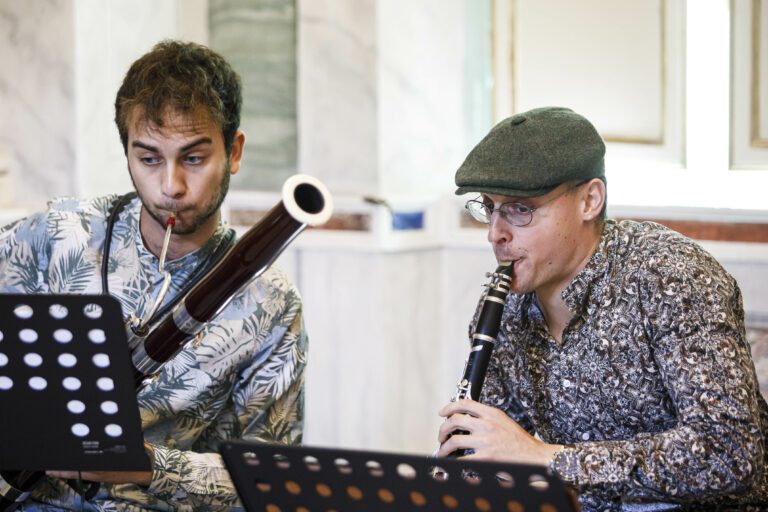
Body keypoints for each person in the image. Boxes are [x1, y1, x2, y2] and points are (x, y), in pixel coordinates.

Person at [0, 40, 307, 510]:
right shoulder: (58, 235)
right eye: (148, 159)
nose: (170, 186)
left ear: (234, 151)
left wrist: (147, 466)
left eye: (193, 158)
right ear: (126, 152)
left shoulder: (272, 301)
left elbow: (273, 480)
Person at [436, 106, 768, 511]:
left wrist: (549, 460)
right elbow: (505, 461)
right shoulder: (503, 311)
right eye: (489, 207)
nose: (495, 233)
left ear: (590, 200)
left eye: (521, 209)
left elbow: (729, 451)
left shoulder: (672, 279)